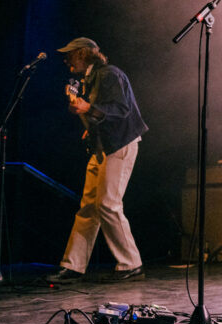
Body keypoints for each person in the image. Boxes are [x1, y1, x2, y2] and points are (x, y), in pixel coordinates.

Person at [46, 37, 148, 283]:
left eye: (69, 54)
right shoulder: (90, 78)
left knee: (108, 204)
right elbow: (101, 112)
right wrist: (89, 123)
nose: (66, 59)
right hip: (103, 147)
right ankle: (73, 266)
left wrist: (88, 109)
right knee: (89, 207)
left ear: (82, 54)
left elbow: (121, 109)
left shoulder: (110, 74)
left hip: (120, 146)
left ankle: (132, 264)